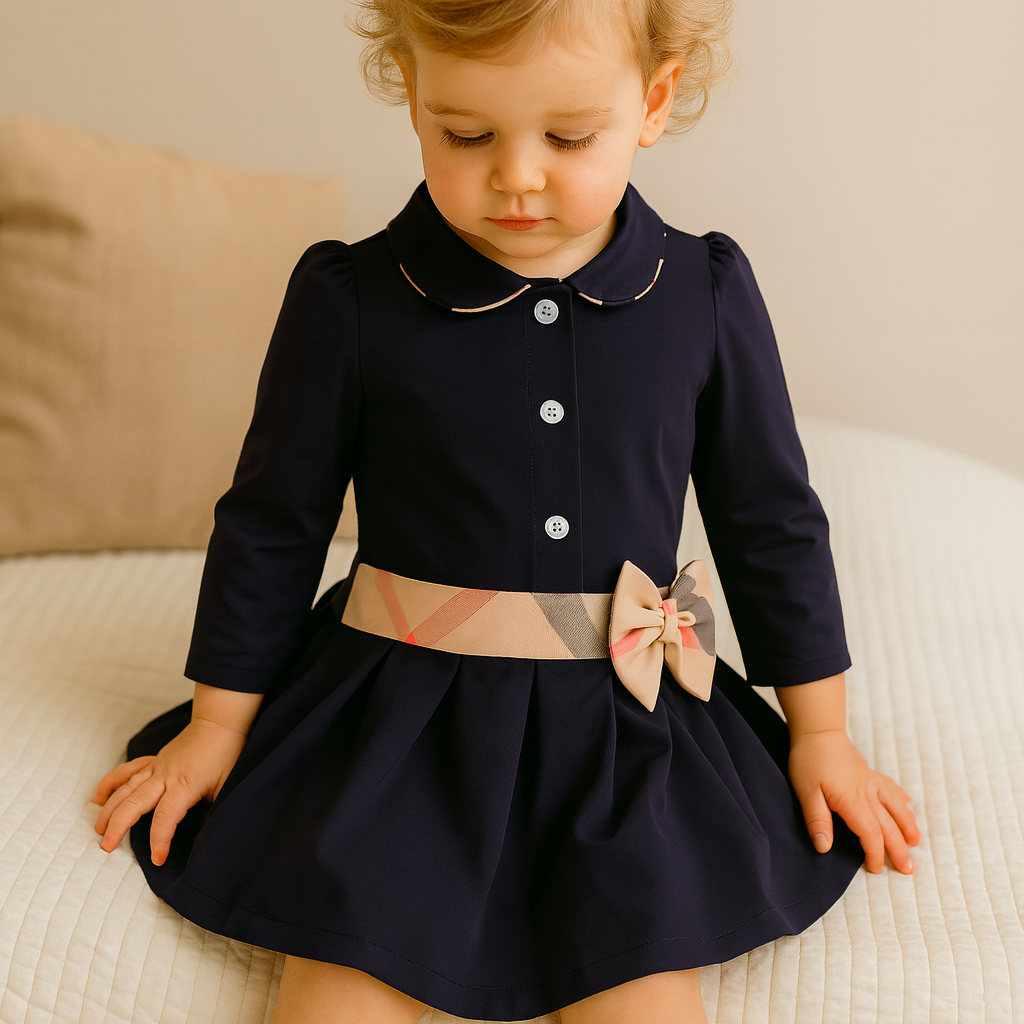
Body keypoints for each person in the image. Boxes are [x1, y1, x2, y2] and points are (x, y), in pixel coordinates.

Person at [91, 0, 921, 1020]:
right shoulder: (350, 296)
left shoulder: (699, 290)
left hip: (626, 723)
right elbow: (273, 518)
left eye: (568, 136)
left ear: (652, 101)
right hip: (397, 724)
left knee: (645, 980)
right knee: (336, 982)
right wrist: (218, 724)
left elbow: (768, 517)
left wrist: (820, 731)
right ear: (412, 98)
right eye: (466, 134)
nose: (516, 174)